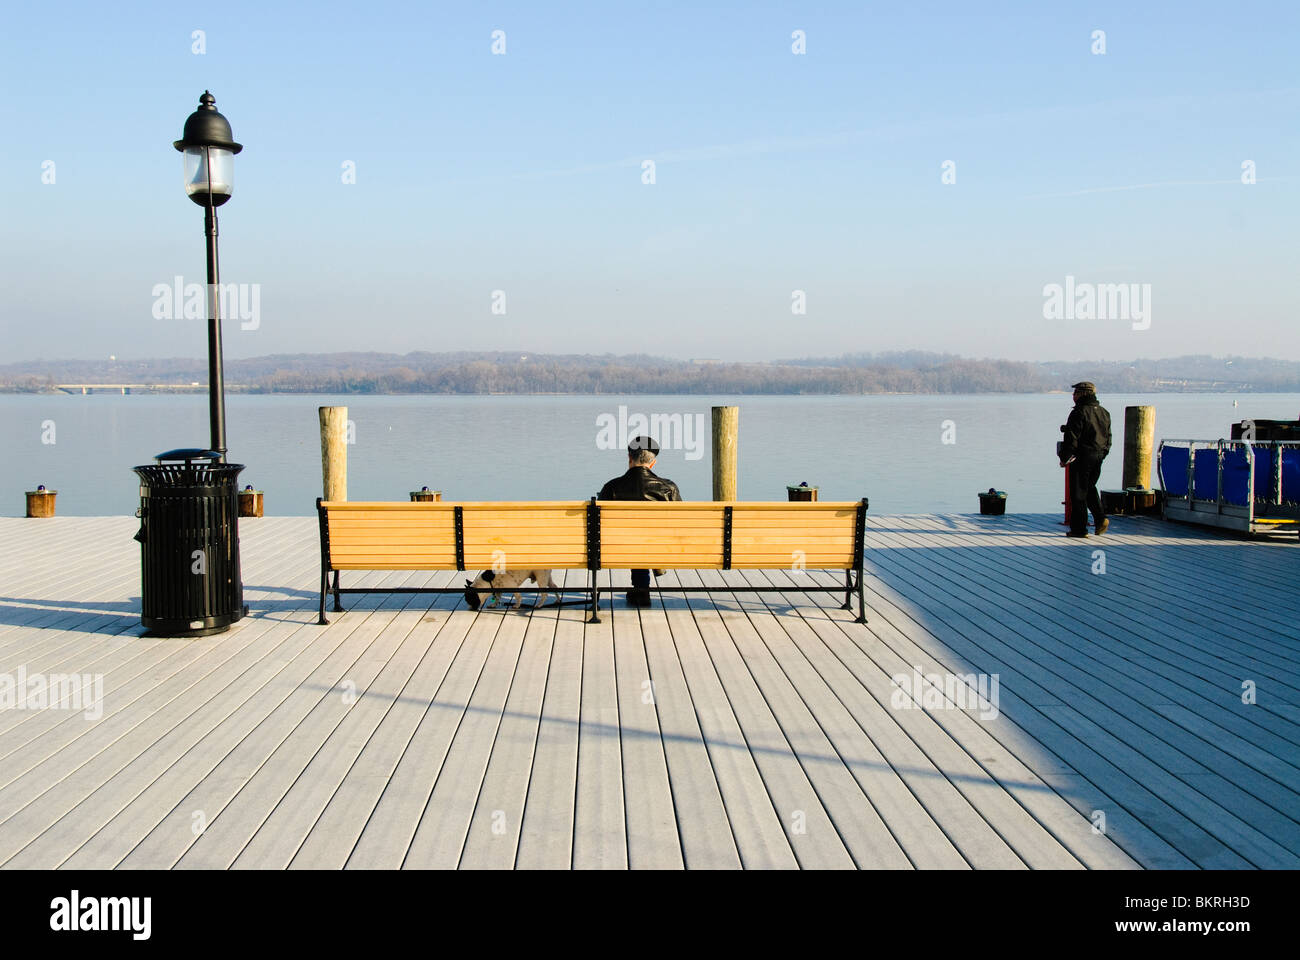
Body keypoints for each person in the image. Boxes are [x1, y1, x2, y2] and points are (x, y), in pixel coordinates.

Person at [598, 435, 682, 606]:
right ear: (653, 463)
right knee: (646, 538)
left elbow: (600, 525)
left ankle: (640, 589)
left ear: (630, 458)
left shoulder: (611, 487)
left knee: (634, 537)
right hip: (659, 546)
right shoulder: (668, 487)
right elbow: (679, 524)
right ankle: (642, 589)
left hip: (617, 547)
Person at [1059, 381, 1112, 537]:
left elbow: (1072, 439)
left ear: (1082, 394)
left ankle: (1079, 529)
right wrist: (1103, 453)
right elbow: (1108, 437)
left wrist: (1065, 458)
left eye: (1075, 393)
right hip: (1098, 455)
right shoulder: (1104, 412)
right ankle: (1100, 518)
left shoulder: (1079, 412)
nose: (1073, 396)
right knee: (1088, 487)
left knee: (1078, 494)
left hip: (1081, 457)